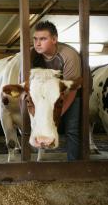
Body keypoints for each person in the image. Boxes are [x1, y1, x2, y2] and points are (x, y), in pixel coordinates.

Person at [31, 20, 82, 161]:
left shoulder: (69, 56)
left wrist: (58, 113)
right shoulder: (32, 54)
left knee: (71, 128)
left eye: (43, 39)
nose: (37, 43)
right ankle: (30, 163)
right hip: (45, 95)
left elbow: (72, 89)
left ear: (54, 39)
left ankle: (73, 165)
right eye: (35, 39)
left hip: (71, 92)